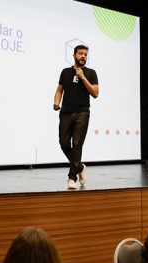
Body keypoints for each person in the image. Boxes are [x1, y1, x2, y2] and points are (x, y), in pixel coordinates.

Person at [53, 44, 99, 190]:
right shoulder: (65, 72)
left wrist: (83, 77)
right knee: (63, 143)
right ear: (74, 55)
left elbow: (95, 93)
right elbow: (59, 90)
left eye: (85, 54)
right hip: (66, 112)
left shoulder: (91, 73)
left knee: (77, 144)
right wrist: (56, 102)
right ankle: (80, 167)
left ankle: (72, 177)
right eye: (80, 53)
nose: (83, 56)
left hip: (82, 112)